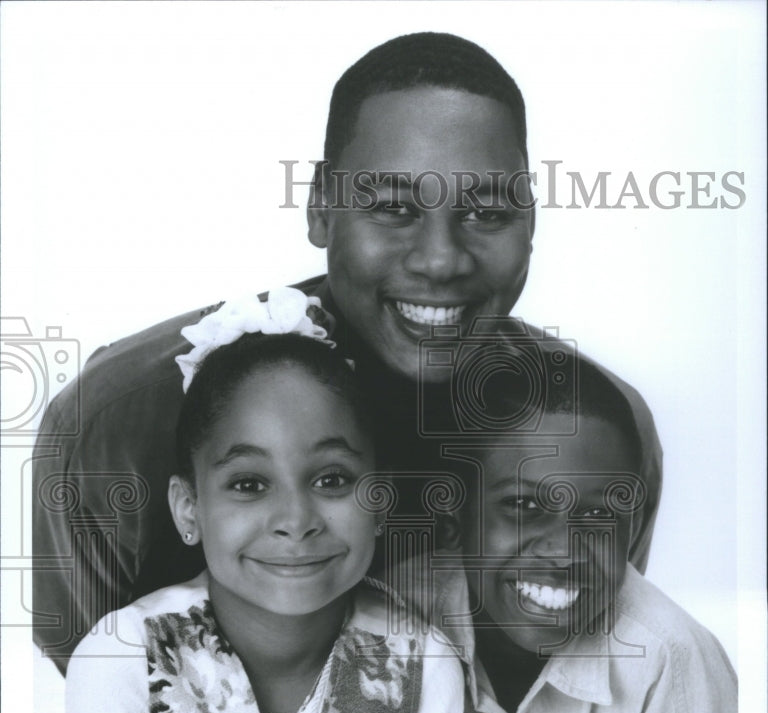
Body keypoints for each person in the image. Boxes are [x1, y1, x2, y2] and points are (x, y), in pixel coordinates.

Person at [32, 31, 662, 675]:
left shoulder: (599, 431)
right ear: (320, 208)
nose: (441, 260)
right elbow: (106, 704)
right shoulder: (113, 425)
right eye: (392, 208)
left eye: (488, 212)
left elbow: (575, 686)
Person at [65, 290, 464, 713]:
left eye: (331, 479)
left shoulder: (424, 667)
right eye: (249, 484)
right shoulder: (120, 658)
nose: (296, 521)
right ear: (188, 508)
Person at [417, 341, 738, 713]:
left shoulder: (672, 662)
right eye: (523, 505)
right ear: (457, 520)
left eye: (599, 515)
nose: (564, 552)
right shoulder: (396, 622)